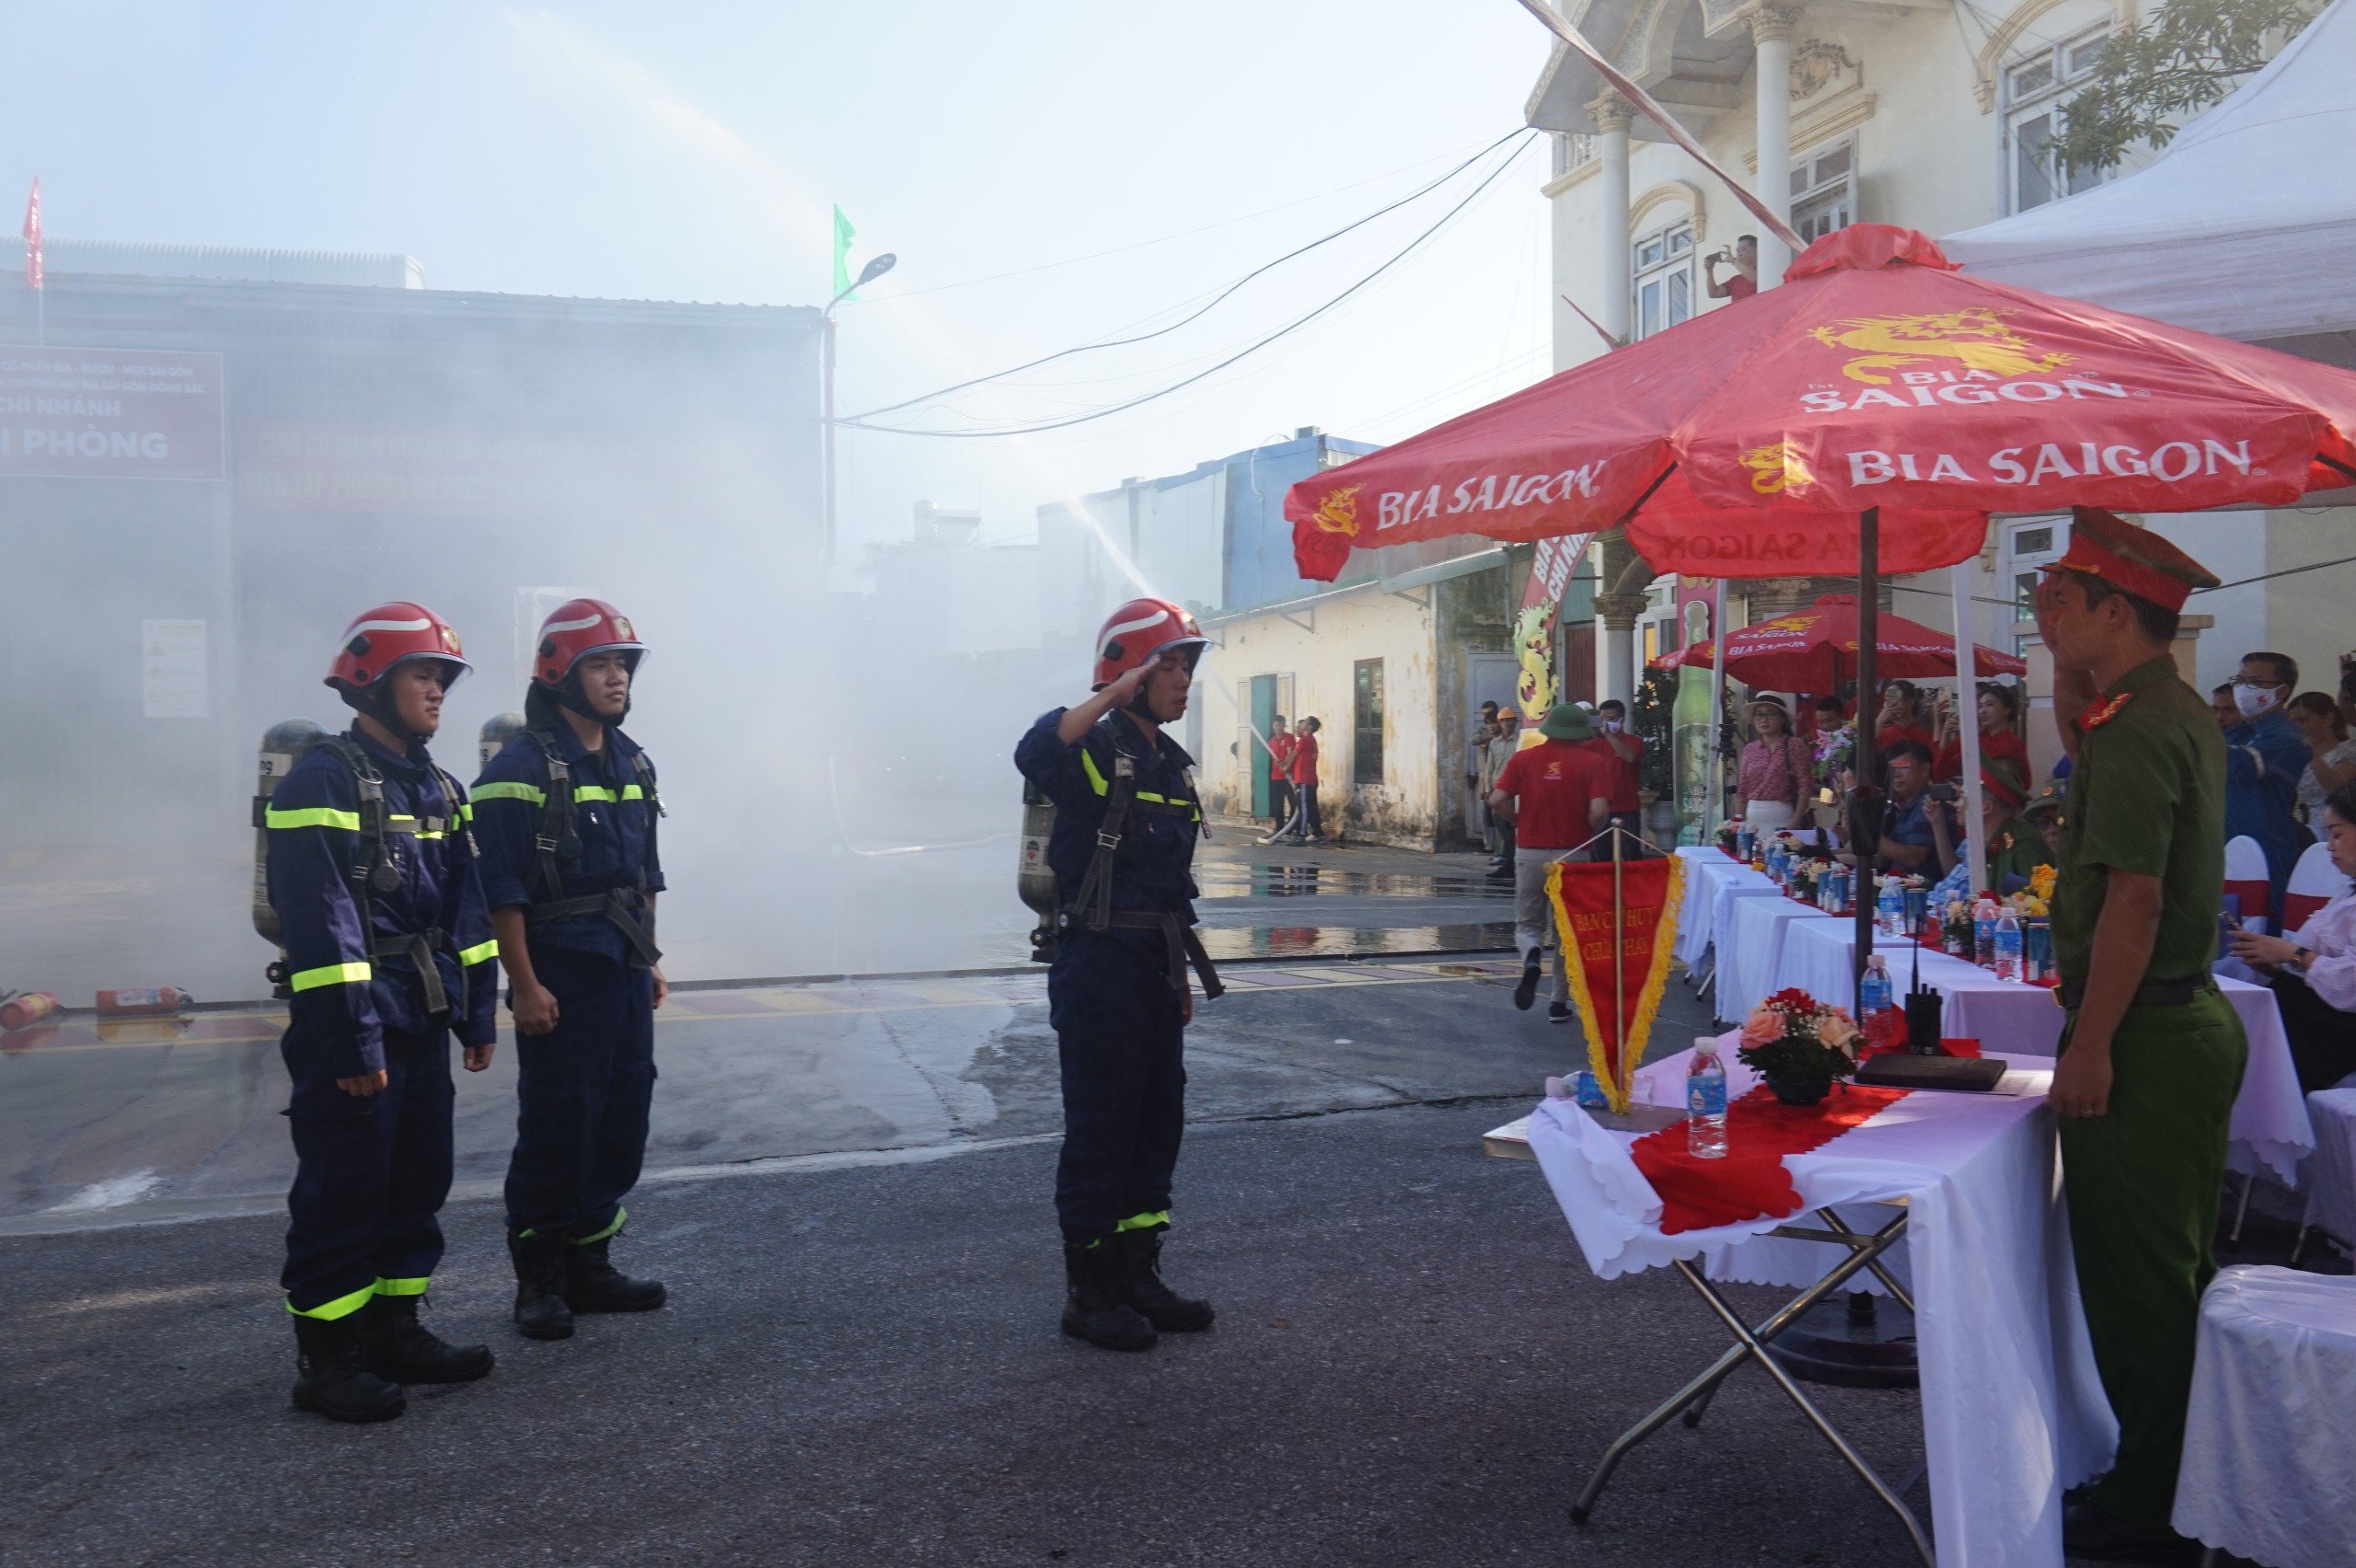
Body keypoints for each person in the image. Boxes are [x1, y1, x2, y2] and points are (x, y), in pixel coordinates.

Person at [2035, 507, 2244, 1562]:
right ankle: (2182, 1481)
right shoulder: (2162, 708)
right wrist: (2068, 681)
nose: (2043, 609)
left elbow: (2134, 902)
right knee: (2173, 1271)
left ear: (2114, 609)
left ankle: (2152, 1510)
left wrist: (2089, 1045)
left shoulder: (2134, 728)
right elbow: (2096, 742)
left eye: (2062, 598)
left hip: (2145, 1033)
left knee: (2141, 1289)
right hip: (2181, 1023)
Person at [264, 601, 500, 1422]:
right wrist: (352, 1042)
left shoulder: (439, 786)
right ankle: (327, 1361)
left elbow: (466, 913)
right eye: (422, 674)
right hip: (358, 1028)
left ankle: (395, 1329)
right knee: (345, 1189)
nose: (438, 691)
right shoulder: (323, 781)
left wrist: (478, 1016)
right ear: (370, 680)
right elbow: (323, 926)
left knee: (415, 1179)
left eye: (442, 677)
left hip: (423, 1020)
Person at [1013, 596, 1219, 1352]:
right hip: (1097, 964)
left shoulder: (1171, 766)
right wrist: (1112, 688)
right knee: (1102, 1128)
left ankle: (1138, 1273)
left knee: (1156, 1123)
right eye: (1169, 664)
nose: (1184, 680)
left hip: (1155, 964)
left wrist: (1180, 975)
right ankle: (1089, 1292)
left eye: (1186, 666)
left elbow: (1170, 881)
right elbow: (1033, 753)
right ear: (1129, 669)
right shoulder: (1093, 751)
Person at [474, 599, 670, 1342]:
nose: (617, 676)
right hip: (561, 972)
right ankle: (540, 1279)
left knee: (623, 1115)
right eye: (600, 663)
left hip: (621, 967)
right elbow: (501, 891)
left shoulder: (633, 761)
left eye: (624, 663)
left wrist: (650, 958)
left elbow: (645, 872)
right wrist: (523, 985)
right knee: (561, 1120)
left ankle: (590, 1262)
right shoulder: (519, 771)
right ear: (559, 672)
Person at [1489, 704, 1612, 1025]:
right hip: (1574, 854)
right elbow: (1600, 813)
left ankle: (1531, 952)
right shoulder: (1595, 762)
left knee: (1528, 923)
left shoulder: (1523, 759)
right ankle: (1559, 1002)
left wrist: (1517, 821)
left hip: (1530, 850)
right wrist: (1586, 829)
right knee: (1566, 932)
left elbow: (1496, 800)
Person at [2231, 779, 2356, 1092]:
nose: (2329, 845)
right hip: (2319, 1016)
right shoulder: (2346, 893)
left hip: (2339, 1031)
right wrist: (2272, 960)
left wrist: (2292, 954)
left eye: (2337, 834)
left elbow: (2351, 984)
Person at [2223, 650, 2314, 919]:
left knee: (2261, 932)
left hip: (2266, 851)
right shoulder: (2241, 732)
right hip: (2229, 847)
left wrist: (2193, 733)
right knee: (2227, 939)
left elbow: (2240, 765)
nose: (2242, 689)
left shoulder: (2289, 738)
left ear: (2282, 690)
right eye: (2239, 681)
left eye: (2254, 682)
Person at [1922, 758, 2050, 903]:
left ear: (1986, 807)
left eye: (1963, 797)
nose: (1956, 804)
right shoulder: (1992, 840)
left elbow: (2036, 910)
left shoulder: (2025, 846)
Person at [1732, 695, 1812, 835]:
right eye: (1759, 715)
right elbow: (1742, 789)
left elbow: (1805, 785)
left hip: (1783, 818)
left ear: (1782, 719)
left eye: (1770, 714)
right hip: (1753, 820)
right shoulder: (1750, 749)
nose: (1764, 719)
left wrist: (1795, 822)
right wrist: (1738, 822)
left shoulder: (1794, 745)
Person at [1932, 682, 2030, 785]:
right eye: (1980, 706)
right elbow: (1940, 773)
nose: (1982, 711)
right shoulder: (1980, 739)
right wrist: (1944, 735)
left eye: (1989, 705)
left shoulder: (2012, 743)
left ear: (2007, 709)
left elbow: (2021, 781)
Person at [2284, 690, 2356, 826]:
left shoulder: (2350, 748)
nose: (2296, 728)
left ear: (2328, 719)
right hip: (2313, 827)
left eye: (2303, 720)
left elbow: (2335, 788)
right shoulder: (2298, 758)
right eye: (2292, 723)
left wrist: (2312, 753)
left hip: (2345, 823)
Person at [1873, 741, 1941, 876]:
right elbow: (1882, 859)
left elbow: (1915, 857)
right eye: (1892, 769)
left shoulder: (1929, 803)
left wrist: (1871, 833)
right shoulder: (1907, 806)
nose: (1896, 775)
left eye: (1903, 767)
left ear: (1924, 770)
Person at [1585, 700, 1645, 850]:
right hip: (1601, 811)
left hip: (1627, 810)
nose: (1606, 723)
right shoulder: (1594, 745)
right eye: (1602, 719)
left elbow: (1630, 757)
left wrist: (1609, 736)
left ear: (1622, 720)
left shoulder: (1634, 741)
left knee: (1630, 855)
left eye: (1610, 719)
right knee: (1601, 857)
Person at [1484, 709, 1524, 878]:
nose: (1509, 723)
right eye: (1506, 721)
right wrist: (1487, 790)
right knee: (1503, 831)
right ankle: (1507, 863)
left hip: (1515, 793)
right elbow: (1489, 768)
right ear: (1500, 723)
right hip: (1498, 792)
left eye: (1512, 720)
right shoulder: (1494, 743)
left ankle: (1510, 865)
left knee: (1512, 830)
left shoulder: (1520, 742)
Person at [1465, 703, 1498, 852]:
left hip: (1498, 775)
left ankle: (1500, 846)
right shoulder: (1483, 729)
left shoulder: (1501, 730)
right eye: (1484, 715)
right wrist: (1487, 737)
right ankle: (1488, 844)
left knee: (1498, 814)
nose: (1487, 718)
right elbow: (1473, 740)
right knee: (1486, 813)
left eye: (1489, 714)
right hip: (1485, 775)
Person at [1808, 695, 1854, 796]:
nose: (1826, 726)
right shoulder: (1819, 749)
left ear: (1842, 716)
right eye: (1821, 722)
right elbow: (1817, 781)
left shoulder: (1853, 742)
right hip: (1829, 802)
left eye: (1830, 721)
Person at [1289, 716, 1325, 844]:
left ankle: (1301, 835)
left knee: (1303, 807)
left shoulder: (1305, 740)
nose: (1301, 724)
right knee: (1311, 808)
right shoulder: (1311, 740)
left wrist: (1284, 766)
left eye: (1304, 722)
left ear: (1309, 726)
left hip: (1304, 780)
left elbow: (1293, 756)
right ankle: (1318, 833)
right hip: (1309, 779)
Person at [1873, 680, 1934, 755]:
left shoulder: (1926, 737)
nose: (1889, 704)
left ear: (1910, 702)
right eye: (1886, 700)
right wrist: (1878, 722)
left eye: (1895, 699)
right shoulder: (1881, 734)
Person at [1265, 716, 1297, 836]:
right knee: (1278, 806)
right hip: (1275, 778)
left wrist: (1285, 764)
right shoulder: (1271, 741)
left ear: (1284, 725)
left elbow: (1291, 754)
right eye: (1276, 725)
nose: (1278, 728)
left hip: (1288, 777)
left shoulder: (1289, 738)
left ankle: (1290, 829)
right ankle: (1280, 829)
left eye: (1280, 725)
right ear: (1273, 726)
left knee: (1293, 804)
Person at [1703, 234, 1758, 302]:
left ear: (1756, 250)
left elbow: (1755, 278)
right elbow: (1714, 293)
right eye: (1737, 251)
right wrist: (1709, 271)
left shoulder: (1765, 269)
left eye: (1743, 249)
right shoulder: (1736, 280)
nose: (1739, 254)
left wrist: (1733, 260)